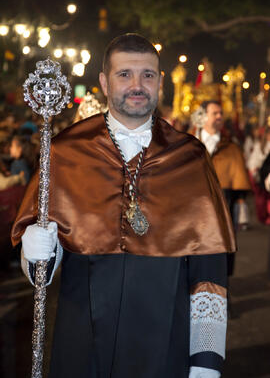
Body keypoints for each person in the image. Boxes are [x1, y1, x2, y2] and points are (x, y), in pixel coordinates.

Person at [12, 34, 235, 378]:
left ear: (160, 82)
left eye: (147, 75)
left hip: (166, 340)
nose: (137, 85)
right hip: (81, 338)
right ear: (104, 81)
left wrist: (207, 360)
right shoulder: (66, 152)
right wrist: (36, 252)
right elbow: (44, 263)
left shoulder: (189, 158)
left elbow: (209, 270)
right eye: (124, 74)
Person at [195, 100, 250, 274]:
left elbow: (239, 181)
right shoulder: (188, 142)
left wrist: (240, 204)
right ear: (203, 116)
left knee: (221, 256)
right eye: (215, 113)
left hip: (224, 205)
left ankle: (221, 295)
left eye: (221, 113)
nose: (220, 117)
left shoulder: (231, 146)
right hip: (193, 207)